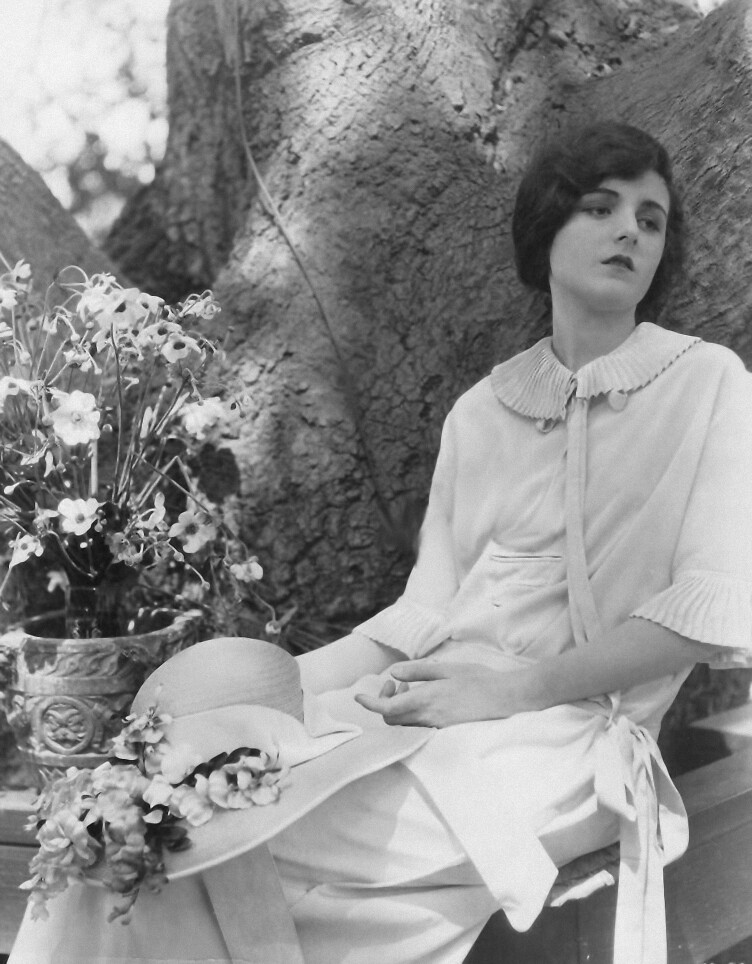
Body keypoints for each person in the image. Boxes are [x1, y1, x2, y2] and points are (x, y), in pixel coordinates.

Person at [9, 120, 752, 964]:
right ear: (546, 227)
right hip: (425, 711)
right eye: (600, 207)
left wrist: (506, 692)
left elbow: (704, 616)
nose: (630, 231)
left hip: (568, 746)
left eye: (651, 220)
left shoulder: (710, 384)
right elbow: (419, 619)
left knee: (206, 832)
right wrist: (263, 692)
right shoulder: (482, 411)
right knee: (127, 823)